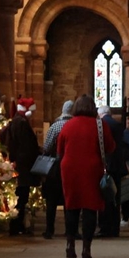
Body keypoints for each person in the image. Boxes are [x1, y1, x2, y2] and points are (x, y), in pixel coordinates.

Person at [56, 94, 115, 258]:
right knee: (90, 208)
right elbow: (110, 147)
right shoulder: (99, 125)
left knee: (71, 206)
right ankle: (86, 249)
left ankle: (70, 245)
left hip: (69, 169)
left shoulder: (68, 125)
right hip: (91, 169)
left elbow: (59, 149)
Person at [0, 97, 41, 236]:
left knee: (21, 196)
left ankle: (18, 225)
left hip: (20, 164)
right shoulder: (21, 123)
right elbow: (25, 146)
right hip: (22, 166)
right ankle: (16, 226)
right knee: (21, 196)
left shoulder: (17, 121)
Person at [39, 99, 74, 239]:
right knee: (68, 199)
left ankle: (49, 230)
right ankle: (70, 230)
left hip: (55, 166)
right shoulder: (74, 125)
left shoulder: (55, 126)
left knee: (51, 201)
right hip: (71, 166)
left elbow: (47, 147)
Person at [97, 106, 127, 237]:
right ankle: (115, 228)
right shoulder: (118, 125)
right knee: (116, 197)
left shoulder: (101, 125)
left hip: (107, 165)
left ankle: (105, 227)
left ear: (100, 114)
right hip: (118, 165)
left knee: (104, 196)